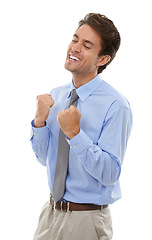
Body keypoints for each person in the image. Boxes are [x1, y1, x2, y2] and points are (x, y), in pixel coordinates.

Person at [30, 13, 132, 240]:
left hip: (86, 222)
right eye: (75, 39)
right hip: (50, 215)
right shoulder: (56, 96)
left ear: (102, 59)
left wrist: (75, 134)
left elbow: (109, 174)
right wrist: (39, 123)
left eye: (86, 45)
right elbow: (45, 159)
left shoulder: (116, 105)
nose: (75, 48)